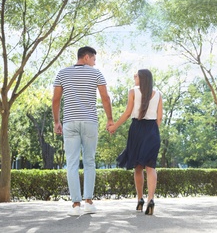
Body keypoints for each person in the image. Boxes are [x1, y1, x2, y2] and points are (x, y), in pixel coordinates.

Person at [52, 46, 113, 216]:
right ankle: (88, 202)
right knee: (89, 161)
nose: (95, 63)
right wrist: (109, 119)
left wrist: (57, 121)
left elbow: (56, 99)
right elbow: (105, 97)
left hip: (70, 122)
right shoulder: (96, 74)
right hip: (89, 122)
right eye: (94, 59)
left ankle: (75, 205)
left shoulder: (62, 73)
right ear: (86, 57)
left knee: (71, 163)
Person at [107, 69, 163, 215]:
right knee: (151, 167)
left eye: (136, 75)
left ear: (143, 78)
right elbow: (159, 119)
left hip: (137, 130)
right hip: (152, 131)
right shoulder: (158, 94)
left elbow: (127, 113)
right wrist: (151, 132)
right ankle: (151, 199)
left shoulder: (133, 91)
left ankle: (140, 199)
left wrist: (114, 127)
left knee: (138, 167)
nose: (134, 77)